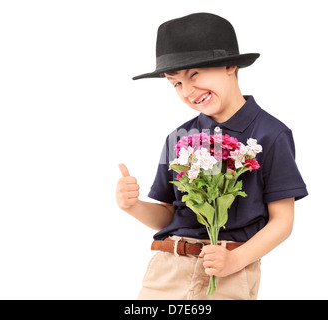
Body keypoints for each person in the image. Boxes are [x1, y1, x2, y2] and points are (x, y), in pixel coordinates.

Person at [116, 12, 308, 300]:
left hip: (229, 272)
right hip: (166, 270)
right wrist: (132, 206)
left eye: (194, 74)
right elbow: (169, 215)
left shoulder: (271, 134)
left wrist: (237, 260)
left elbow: (282, 221)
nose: (188, 91)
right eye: (176, 83)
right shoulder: (178, 139)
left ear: (230, 65)